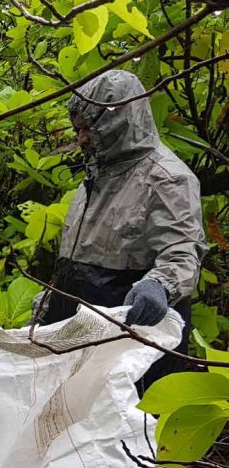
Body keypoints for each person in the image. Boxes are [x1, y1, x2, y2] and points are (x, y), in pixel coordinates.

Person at [39, 69, 207, 388]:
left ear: (116, 122)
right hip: (85, 338)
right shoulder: (95, 179)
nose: (81, 138)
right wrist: (49, 306)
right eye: (78, 129)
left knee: (131, 416)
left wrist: (159, 285)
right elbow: (75, 263)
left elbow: (183, 251)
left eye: (88, 128)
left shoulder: (167, 178)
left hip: (134, 340)